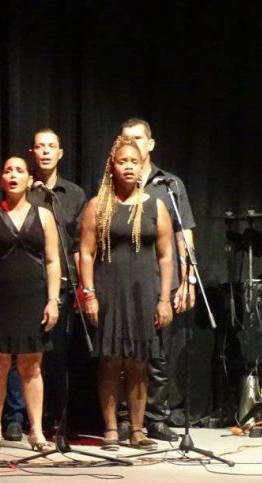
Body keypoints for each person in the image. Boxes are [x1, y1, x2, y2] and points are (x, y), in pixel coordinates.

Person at [78, 135, 174, 451]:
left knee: (138, 363)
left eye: (134, 161)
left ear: (141, 166)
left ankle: (136, 428)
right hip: (108, 292)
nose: (129, 166)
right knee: (109, 360)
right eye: (123, 161)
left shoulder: (156, 206)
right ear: (112, 167)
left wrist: (164, 299)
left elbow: (165, 255)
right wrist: (88, 293)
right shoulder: (97, 206)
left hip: (142, 293)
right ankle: (109, 428)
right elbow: (86, 253)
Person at [0, 129, 89, 439]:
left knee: (56, 355)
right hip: (26, 284)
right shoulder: (26, 189)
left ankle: (53, 418)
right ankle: (14, 417)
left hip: (61, 284)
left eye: (52, 146)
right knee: (17, 353)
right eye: (40, 147)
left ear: (61, 153)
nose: (46, 152)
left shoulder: (74, 194)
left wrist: (82, 287)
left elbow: (79, 245)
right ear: (32, 153)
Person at [0, 157, 61, 451]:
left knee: (32, 366)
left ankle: (36, 431)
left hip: (33, 297)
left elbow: (52, 260)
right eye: (7, 170)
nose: (13, 175)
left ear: (28, 178)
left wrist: (52, 300)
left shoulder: (44, 215)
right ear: (1, 179)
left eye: (19, 170)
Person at [117, 118, 193, 442]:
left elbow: (183, 232)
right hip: (126, 278)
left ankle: (155, 418)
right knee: (124, 351)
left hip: (163, 277)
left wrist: (188, 277)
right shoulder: (115, 180)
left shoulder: (170, 184)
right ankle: (124, 419)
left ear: (150, 144)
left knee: (159, 354)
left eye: (138, 138)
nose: (132, 143)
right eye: (125, 138)